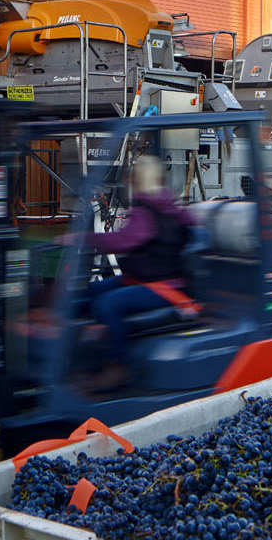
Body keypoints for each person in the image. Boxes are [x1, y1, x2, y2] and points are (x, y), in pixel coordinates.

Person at [70, 155, 196, 393]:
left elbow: (125, 240)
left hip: (164, 286)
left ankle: (119, 365)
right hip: (146, 278)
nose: (127, 181)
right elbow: (187, 222)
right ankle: (89, 353)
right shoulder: (164, 203)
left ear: (138, 180)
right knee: (92, 292)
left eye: (131, 177)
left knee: (108, 304)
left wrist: (85, 239)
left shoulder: (148, 209)